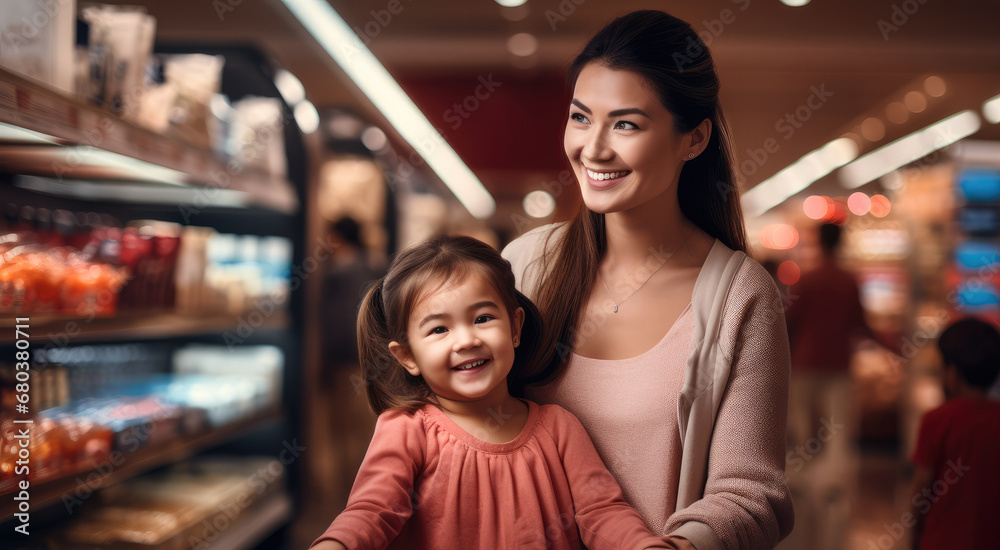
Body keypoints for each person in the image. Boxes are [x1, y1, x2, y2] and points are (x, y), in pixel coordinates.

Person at [502, 10, 793, 550]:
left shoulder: (738, 298)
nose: (594, 148)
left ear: (694, 139)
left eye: (627, 124)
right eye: (581, 117)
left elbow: (752, 494)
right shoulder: (525, 265)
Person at [311, 235, 677, 550]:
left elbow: (602, 511)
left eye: (483, 318)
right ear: (407, 356)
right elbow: (373, 510)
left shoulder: (560, 428)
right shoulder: (407, 430)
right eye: (439, 329)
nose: (467, 340)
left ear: (515, 327)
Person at [908, 317, 1000, 550]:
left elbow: (922, 486)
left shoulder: (937, 419)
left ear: (951, 373)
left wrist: (911, 536)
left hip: (942, 540)